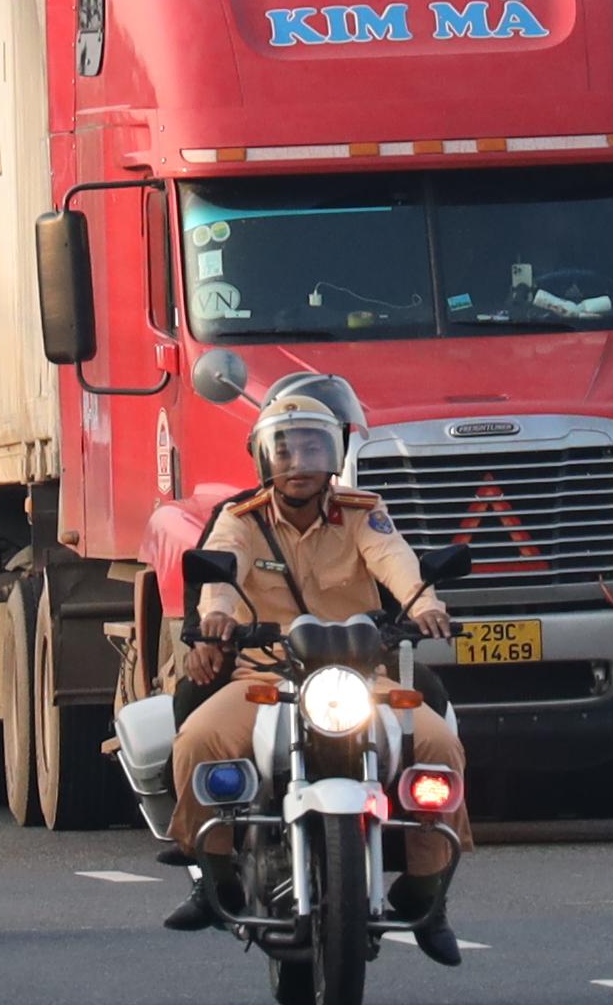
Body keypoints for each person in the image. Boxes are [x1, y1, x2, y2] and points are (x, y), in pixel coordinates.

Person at [164, 382, 467, 964]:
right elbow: (221, 571)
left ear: (334, 455)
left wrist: (425, 605)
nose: (297, 464)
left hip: (358, 677)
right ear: (262, 458)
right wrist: (219, 618)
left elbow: (395, 559)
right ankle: (214, 876)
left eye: (311, 449)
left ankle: (430, 893)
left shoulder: (362, 513)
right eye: (284, 450)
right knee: (197, 741)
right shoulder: (242, 518)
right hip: (266, 680)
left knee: (440, 746)